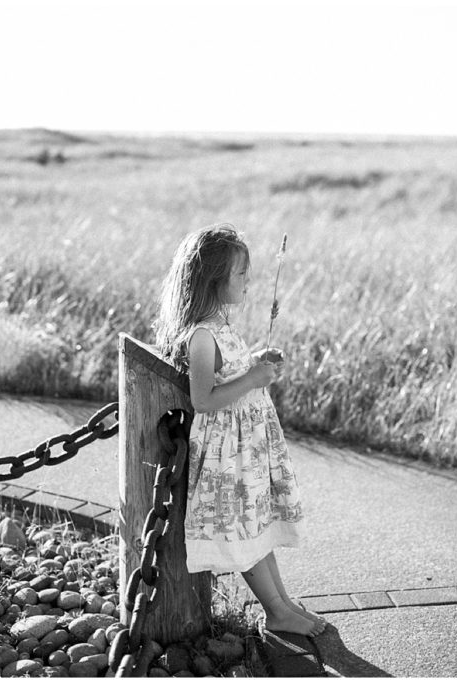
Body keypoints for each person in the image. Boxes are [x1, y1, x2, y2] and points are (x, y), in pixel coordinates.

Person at [153, 223, 324, 638]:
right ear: (214, 280)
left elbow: (227, 372)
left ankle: (282, 603)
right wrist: (252, 379)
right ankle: (276, 611)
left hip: (246, 446)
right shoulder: (200, 336)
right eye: (241, 273)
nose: (248, 281)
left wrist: (253, 362)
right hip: (225, 453)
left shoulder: (223, 326)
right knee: (241, 531)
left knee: (257, 526)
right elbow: (205, 399)